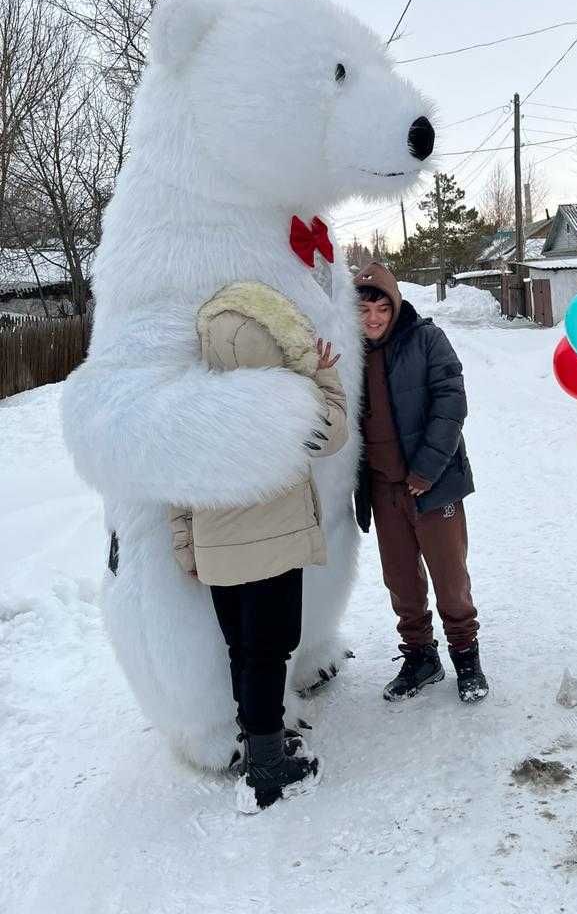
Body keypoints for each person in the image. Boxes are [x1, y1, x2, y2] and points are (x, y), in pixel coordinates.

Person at [170, 281, 349, 811]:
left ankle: (257, 742)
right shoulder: (288, 400)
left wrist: (187, 545)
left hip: (220, 555)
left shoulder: (191, 408)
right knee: (269, 654)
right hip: (273, 549)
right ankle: (268, 772)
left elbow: (173, 486)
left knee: (242, 654)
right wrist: (320, 371)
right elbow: (333, 431)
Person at [352, 262, 488, 704]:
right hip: (383, 488)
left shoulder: (427, 339)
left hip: (432, 485)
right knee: (401, 582)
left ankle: (466, 656)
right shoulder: (347, 354)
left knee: (450, 577)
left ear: (395, 306)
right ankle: (420, 656)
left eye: (381, 309)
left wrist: (426, 471)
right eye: (364, 310)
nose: (373, 318)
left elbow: (451, 403)